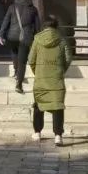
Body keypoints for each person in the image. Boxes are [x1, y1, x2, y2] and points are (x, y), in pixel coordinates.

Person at [28, 15, 72, 146]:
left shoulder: (37, 39)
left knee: (38, 105)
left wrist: (38, 72)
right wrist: (61, 71)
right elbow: (68, 58)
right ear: (56, 26)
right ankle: (58, 135)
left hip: (41, 78)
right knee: (58, 106)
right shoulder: (62, 39)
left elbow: (31, 59)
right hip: (56, 79)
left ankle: (37, 132)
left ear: (44, 26)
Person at [0, 0, 39, 92]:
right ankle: (19, 84)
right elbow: (37, 27)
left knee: (14, 52)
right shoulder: (33, 9)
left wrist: (1, 35)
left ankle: (16, 71)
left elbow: (5, 22)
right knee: (22, 61)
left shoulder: (12, 7)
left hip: (12, 36)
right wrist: (37, 38)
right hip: (26, 37)